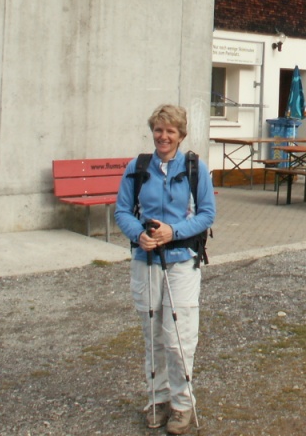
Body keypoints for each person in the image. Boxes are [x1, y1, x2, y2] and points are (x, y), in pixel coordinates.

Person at [115, 105, 216, 435]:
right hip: (145, 261)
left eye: (170, 131)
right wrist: (138, 235)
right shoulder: (137, 167)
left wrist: (173, 232)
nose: (163, 136)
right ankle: (157, 400)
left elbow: (207, 214)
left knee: (178, 337)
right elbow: (122, 211)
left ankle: (182, 404)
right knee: (153, 335)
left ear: (181, 135)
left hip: (182, 260)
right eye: (159, 130)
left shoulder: (195, 168)